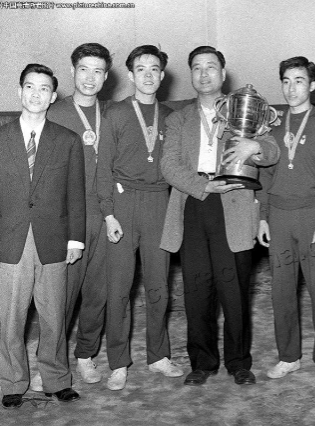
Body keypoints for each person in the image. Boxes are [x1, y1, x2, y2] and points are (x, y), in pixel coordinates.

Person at [160, 45, 280, 386]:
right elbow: (168, 165)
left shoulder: (245, 108)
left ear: (223, 74)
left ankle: (239, 362)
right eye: (197, 67)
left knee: (235, 289)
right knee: (197, 290)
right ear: (191, 75)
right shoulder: (178, 118)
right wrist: (203, 186)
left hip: (235, 205)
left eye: (211, 67)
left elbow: (272, 151)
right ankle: (202, 363)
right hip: (194, 202)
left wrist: (255, 147)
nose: (204, 74)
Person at [0, 64, 86, 408]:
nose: (36, 94)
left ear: (53, 96)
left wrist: (76, 239)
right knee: (11, 317)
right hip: (11, 239)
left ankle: (56, 379)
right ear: (19, 91)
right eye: (30, 87)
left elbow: (76, 193)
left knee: (54, 315)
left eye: (44, 89)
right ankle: (13, 382)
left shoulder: (67, 140)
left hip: (54, 239)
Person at [96, 45, 181, 391]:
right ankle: (118, 362)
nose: (148, 75)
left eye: (154, 69)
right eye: (141, 69)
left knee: (159, 285)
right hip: (123, 203)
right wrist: (108, 214)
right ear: (131, 75)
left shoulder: (172, 117)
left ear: (162, 75)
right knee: (119, 288)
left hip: (159, 203)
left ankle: (159, 355)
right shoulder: (115, 113)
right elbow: (103, 168)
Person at [257, 56, 315, 385]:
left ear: (312, 85)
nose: (291, 88)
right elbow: (265, 175)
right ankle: (288, 357)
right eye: (286, 81)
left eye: (298, 81)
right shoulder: (274, 127)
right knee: (281, 292)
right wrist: (263, 216)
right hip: (279, 217)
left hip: (312, 216)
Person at [41, 42, 113, 388]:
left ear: (106, 76)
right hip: (67, 217)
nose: (90, 77)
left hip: (105, 214)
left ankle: (85, 354)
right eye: (84, 69)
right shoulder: (54, 114)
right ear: (72, 71)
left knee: (98, 292)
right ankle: (51, 363)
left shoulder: (112, 113)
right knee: (60, 295)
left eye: (98, 71)